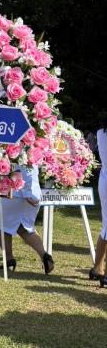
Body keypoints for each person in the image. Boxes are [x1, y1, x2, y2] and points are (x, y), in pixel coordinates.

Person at [0, 165, 55, 275]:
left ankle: (8, 259)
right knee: (25, 228)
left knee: (1, 225)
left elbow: (28, 168)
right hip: (32, 193)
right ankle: (44, 256)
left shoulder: (23, 148)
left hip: (16, 193)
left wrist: (27, 193)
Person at [88, 119, 107, 288]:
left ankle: (97, 268)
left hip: (104, 180)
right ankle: (102, 271)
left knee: (106, 227)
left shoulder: (101, 132)